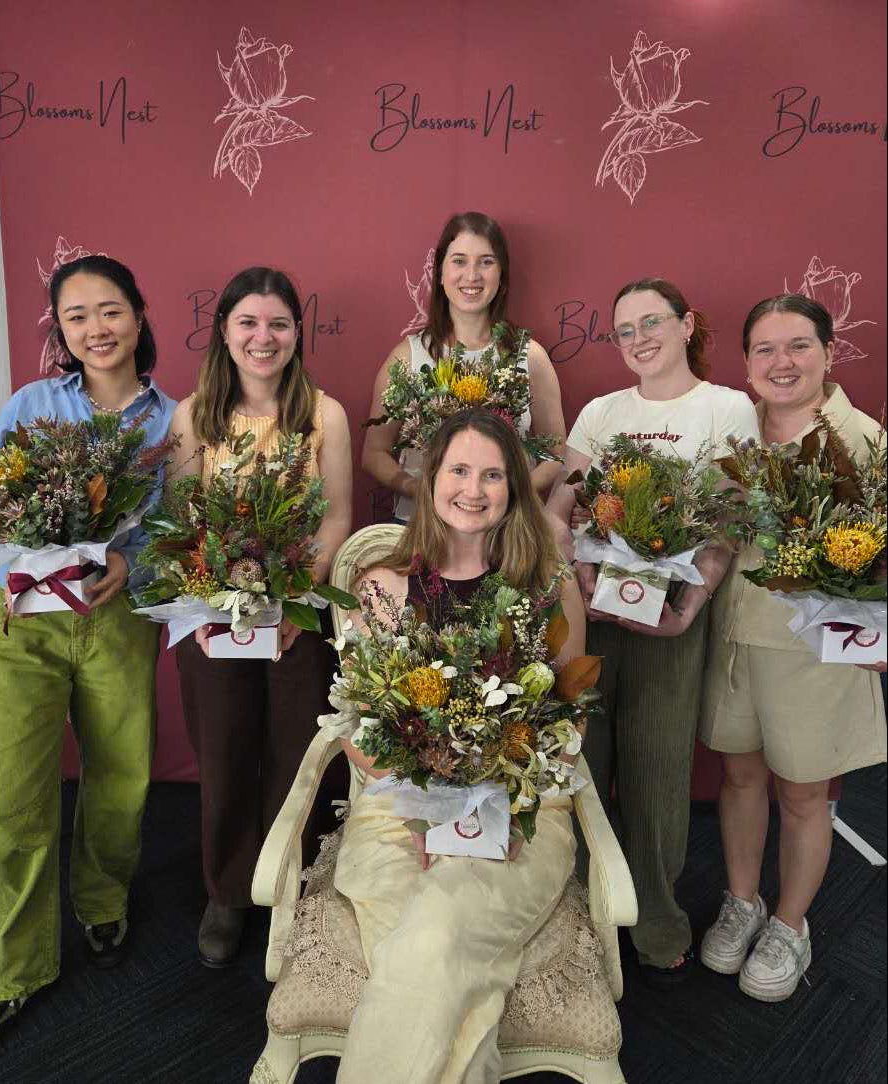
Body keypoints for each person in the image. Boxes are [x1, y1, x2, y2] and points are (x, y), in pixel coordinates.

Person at [332, 409, 587, 1083]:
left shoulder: (546, 585)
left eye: (494, 474)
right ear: (430, 478)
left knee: (430, 940)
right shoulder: (382, 589)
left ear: (515, 487)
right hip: (395, 815)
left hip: (525, 820)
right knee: (434, 952)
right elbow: (361, 727)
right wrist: (431, 811)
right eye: (459, 471)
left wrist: (489, 814)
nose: (474, 490)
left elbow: (566, 725)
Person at [0, 255, 176, 1055]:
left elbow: (176, 525)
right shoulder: (31, 405)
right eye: (78, 316)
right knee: (3, 792)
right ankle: (14, 966)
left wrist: (136, 565)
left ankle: (102, 901)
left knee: (121, 776)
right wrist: (19, 549)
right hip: (26, 622)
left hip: (116, 618)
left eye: (111, 310)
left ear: (139, 313)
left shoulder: (171, 421)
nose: (97, 329)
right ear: (60, 329)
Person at [547, 277, 760, 987]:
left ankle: (656, 917)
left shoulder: (727, 406)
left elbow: (731, 518)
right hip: (594, 618)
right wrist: (576, 578)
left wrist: (691, 602)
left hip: (673, 621)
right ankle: (579, 909)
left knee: (659, 770)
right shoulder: (603, 411)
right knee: (582, 761)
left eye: (652, 323)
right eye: (624, 330)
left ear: (686, 323)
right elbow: (559, 511)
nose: (639, 340)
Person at [699, 294, 887, 1002]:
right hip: (734, 639)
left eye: (799, 346)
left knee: (804, 794)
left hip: (814, 655)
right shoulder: (729, 436)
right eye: (766, 350)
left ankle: (789, 923)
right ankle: (743, 900)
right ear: (746, 364)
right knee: (741, 779)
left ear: (829, 353)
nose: (783, 362)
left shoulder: (864, 441)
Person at [169, 267, 352, 968]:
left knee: (292, 757)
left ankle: (289, 883)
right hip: (214, 622)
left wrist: (297, 606)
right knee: (225, 753)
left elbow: (336, 520)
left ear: (296, 334)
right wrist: (216, 603)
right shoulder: (195, 417)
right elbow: (185, 523)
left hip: (297, 620)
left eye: (278, 324)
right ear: (224, 330)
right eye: (248, 322)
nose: (262, 337)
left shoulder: (322, 416)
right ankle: (228, 891)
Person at [362, 210, 566, 521]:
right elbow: (374, 453)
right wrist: (422, 490)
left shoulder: (530, 357)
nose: (472, 276)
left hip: (505, 528)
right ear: (440, 273)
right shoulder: (408, 357)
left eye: (486, 262)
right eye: (459, 261)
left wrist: (512, 493)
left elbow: (556, 455)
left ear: (502, 275)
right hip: (424, 526)